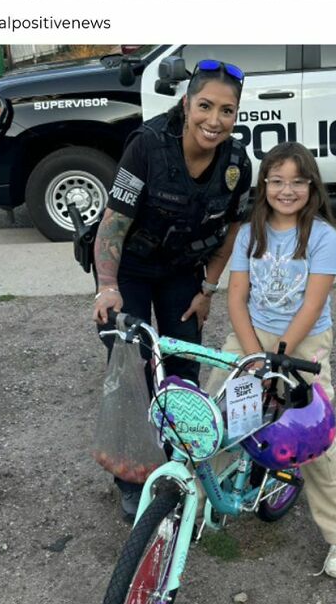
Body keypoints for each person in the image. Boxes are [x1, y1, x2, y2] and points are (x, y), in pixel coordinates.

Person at [92, 59, 252, 520]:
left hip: (184, 270)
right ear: (187, 103)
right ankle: (131, 476)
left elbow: (233, 231)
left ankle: (177, 464)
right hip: (131, 270)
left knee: (182, 367)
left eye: (227, 110)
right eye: (205, 106)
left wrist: (207, 288)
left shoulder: (237, 163)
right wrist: (107, 287)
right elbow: (114, 223)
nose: (214, 120)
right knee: (136, 368)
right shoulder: (146, 146)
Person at [206, 141, 336, 578]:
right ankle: (202, 498)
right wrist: (254, 353)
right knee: (218, 412)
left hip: (304, 341)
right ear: (264, 185)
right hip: (251, 335)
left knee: (314, 435)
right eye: (277, 181)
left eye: (297, 181)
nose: (286, 190)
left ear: (311, 187)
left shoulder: (323, 236)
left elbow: (312, 304)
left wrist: (277, 357)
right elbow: (237, 296)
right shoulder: (249, 232)